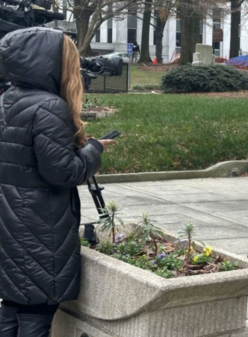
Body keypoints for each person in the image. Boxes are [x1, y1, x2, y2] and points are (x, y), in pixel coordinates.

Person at [0, 27, 114, 336]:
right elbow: (63, 173)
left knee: (12, 309)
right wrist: (94, 149)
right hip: (39, 227)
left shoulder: (7, 99)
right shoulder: (49, 106)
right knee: (36, 316)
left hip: (10, 221)